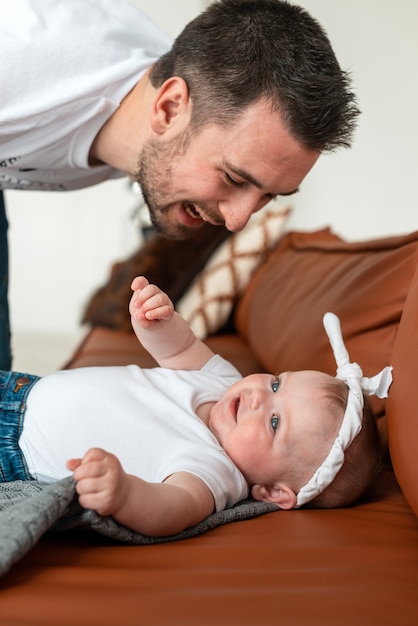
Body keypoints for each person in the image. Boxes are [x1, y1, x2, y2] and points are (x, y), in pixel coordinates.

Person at [0, 0, 360, 370]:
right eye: (234, 178)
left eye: (267, 194)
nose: (238, 221)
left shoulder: (180, 98)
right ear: (169, 109)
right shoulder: (18, 64)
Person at [0, 276, 392, 537]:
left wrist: (123, 492)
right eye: (276, 384)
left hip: (15, 453)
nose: (258, 396)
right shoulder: (221, 381)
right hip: (21, 389)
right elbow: (181, 348)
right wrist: (158, 321)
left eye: (274, 422)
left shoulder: (214, 474)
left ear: (273, 491)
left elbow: (170, 509)